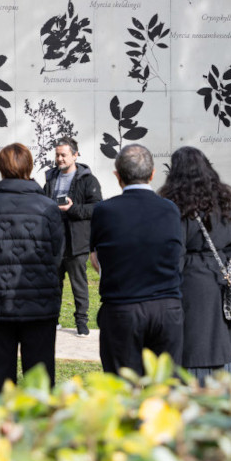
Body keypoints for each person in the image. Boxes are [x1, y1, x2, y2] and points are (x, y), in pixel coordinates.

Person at [0, 143, 64, 395]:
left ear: (1, 168)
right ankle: (41, 431)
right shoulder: (48, 207)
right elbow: (56, 255)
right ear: (29, 167)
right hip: (40, 303)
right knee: (40, 377)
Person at [90, 144, 184, 375]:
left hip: (123, 309)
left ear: (117, 176)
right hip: (166, 309)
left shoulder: (104, 210)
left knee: (122, 392)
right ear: (152, 175)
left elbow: (95, 259)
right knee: (166, 394)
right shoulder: (170, 209)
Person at [158, 146, 231, 386]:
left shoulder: (175, 205)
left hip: (189, 283)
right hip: (218, 280)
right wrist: (222, 268)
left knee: (190, 348)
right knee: (215, 347)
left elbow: (174, 251)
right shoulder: (225, 201)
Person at [43, 136, 102, 336]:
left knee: (79, 284)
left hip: (77, 241)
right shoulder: (50, 178)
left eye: (64, 155)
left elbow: (96, 208)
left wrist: (72, 209)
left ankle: (82, 323)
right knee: (52, 284)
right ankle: (53, 319)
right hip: (55, 240)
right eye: (57, 155)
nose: (60, 159)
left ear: (75, 155)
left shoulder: (88, 180)